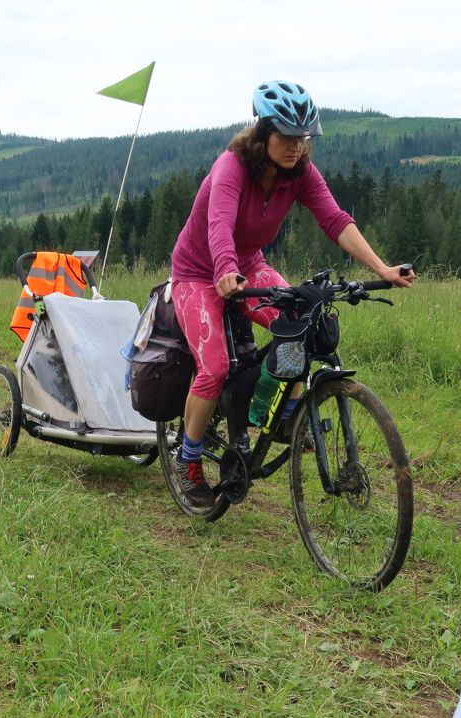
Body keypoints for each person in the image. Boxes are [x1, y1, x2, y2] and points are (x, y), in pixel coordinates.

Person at [170, 80, 415, 507]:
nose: (296, 147)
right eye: (286, 136)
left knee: (302, 322)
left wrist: (383, 269)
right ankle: (187, 458)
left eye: (304, 138)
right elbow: (219, 225)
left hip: (248, 264)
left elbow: (335, 220)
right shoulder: (231, 167)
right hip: (198, 271)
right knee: (213, 366)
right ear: (263, 131)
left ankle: (283, 413)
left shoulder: (300, 172)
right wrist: (224, 271)